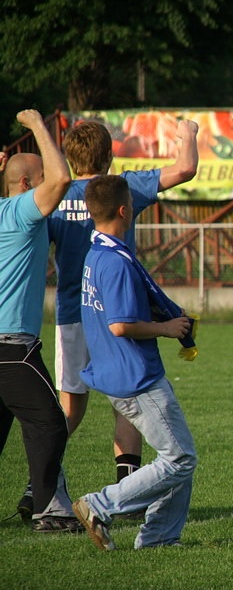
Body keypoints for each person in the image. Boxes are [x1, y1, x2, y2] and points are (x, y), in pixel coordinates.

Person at [50, 119, 198, 484]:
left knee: (69, 410)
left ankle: (37, 484)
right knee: (128, 401)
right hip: (119, 311)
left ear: (69, 157)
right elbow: (185, 168)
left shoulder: (54, 194)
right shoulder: (120, 188)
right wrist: (188, 133)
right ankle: (126, 485)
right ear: (111, 154)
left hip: (73, 312)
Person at [72, 175, 197, 551]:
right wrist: (166, 327)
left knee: (180, 455)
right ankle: (100, 505)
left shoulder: (95, 254)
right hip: (136, 376)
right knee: (179, 458)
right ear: (125, 211)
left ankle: (159, 538)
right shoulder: (116, 262)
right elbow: (121, 324)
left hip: (116, 371)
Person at [0, 110, 78, 532]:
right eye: (39, 175)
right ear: (28, 186)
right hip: (11, 348)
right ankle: (50, 511)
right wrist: (39, 129)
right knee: (50, 423)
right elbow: (61, 179)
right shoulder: (19, 214)